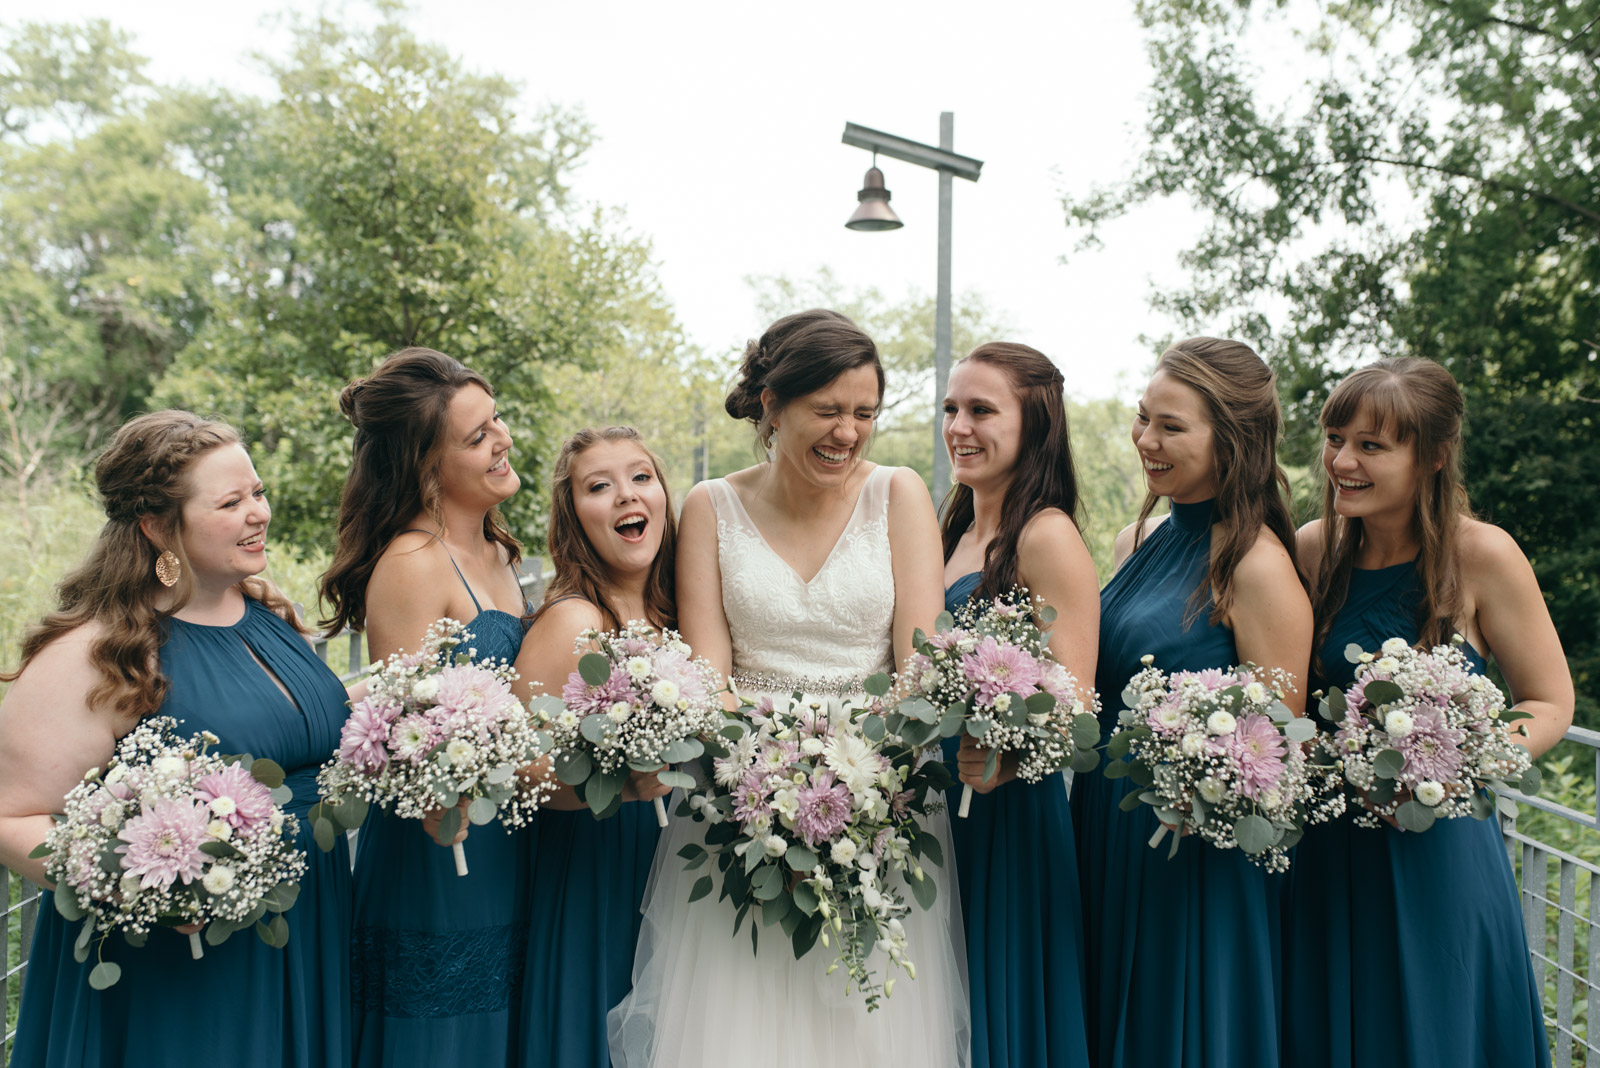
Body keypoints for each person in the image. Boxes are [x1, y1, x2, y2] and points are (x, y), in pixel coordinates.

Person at [608, 309, 970, 1067]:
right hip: (743, 797)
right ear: (772, 405)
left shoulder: (899, 495)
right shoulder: (710, 504)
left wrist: (853, 771)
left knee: (865, 1023)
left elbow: (920, 663)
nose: (848, 432)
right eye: (828, 410)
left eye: (865, 413)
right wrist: (772, 773)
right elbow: (710, 670)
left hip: (882, 790)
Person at [0, 411, 352, 1067]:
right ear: (160, 527)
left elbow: (296, 733)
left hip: (306, 924)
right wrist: (144, 887)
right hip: (182, 965)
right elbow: (12, 815)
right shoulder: (97, 654)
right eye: (230, 502)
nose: (259, 513)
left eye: (257, 492)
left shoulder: (267, 612)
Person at [1281, 357, 1567, 1068]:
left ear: (1433, 456)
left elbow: (1549, 701)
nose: (1342, 460)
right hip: (1326, 856)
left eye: (1372, 446)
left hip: (1437, 855)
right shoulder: (1312, 551)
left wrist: (1456, 761)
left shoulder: (1483, 556)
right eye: (1335, 438)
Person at [1072, 337, 1312, 1067]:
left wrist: (1196, 783)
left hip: (1190, 858)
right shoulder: (1133, 541)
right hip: (1099, 832)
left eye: (1171, 427)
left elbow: (1281, 755)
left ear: (1233, 440)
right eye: (1143, 419)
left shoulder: (1258, 567)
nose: (1146, 440)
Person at [319, 347, 533, 1067]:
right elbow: (403, 741)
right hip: (442, 854)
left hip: (510, 840)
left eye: (495, 419)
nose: (501, 438)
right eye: (476, 437)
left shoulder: (498, 554)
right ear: (424, 468)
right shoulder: (413, 563)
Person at [938, 341, 1097, 1068]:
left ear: (1034, 424)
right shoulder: (953, 529)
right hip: (935, 807)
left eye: (981, 410)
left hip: (1005, 816)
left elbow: (1078, 709)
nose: (959, 426)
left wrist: (1003, 755)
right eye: (951, 408)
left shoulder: (1047, 535)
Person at [513, 426, 676, 1068]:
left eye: (640, 477)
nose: (625, 497)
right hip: (597, 874)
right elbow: (519, 775)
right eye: (598, 486)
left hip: (674, 868)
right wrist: (613, 785)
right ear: (573, 515)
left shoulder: (679, 614)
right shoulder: (574, 620)